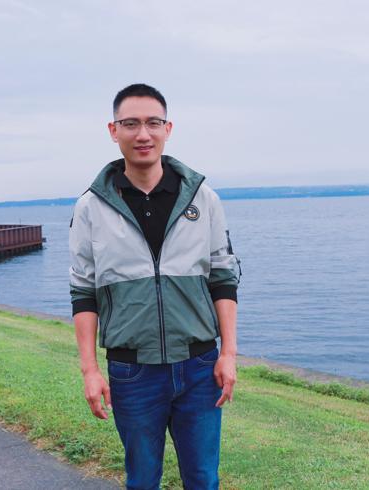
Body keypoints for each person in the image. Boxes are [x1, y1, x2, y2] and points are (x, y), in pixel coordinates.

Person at [69, 84, 240, 490]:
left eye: (153, 123)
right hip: (133, 371)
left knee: (203, 479)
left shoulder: (203, 199)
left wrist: (228, 354)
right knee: (142, 479)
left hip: (199, 366)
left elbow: (223, 278)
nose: (143, 134)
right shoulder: (91, 206)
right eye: (131, 124)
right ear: (114, 130)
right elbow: (83, 292)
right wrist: (90, 370)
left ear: (168, 129)